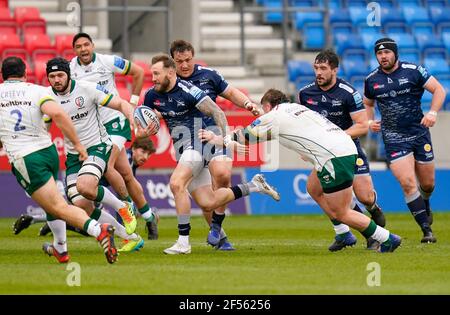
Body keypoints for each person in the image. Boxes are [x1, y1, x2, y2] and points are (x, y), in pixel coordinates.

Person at [200, 89, 402, 253]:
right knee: (313, 188)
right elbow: (271, 134)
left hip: (333, 157)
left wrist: (218, 139)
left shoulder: (275, 116)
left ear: (269, 105)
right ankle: (342, 234)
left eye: (264, 109)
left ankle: (386, 238)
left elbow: (245, 136)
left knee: (342, 211)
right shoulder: (296, 108)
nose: (263, 112)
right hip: (343, 148)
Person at [142, 54, 280, 254]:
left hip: (199, 143)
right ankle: (253, 186)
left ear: (170, 72)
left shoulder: (189, 91)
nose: (152, 77)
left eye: (156, 73)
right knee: (208, 202)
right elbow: (143, 119)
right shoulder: (151, 95)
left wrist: (225, 140)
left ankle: (183, 242)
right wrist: (145, 129)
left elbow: (218, 112)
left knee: (176, 183)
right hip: (183, 149)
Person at [0, 56, 117, 264]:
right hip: (48, 152)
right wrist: (77, 144)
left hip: (26, 158)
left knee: (58, 206)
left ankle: (100, 230)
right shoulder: (37, 90)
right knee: (52, 204)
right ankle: (60, 249)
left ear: (2, 76)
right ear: (25, 73)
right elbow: (58, 114)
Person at [169, 39, 262, 250]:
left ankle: (216, 228)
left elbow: (230, 93)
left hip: (214, 134)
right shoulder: (170, 82)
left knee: (222, 175)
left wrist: (248, 104)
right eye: (179, 61)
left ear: (193, 57)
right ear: (173, 61)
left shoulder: (208, 75)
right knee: (206, 200)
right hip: (186, 141)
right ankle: (221, 238)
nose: (184, 65)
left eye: (188, 60)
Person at [46, 57, 144, 253]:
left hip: (97, 146)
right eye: (52, 76)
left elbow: (120, 103)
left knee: (86, 187)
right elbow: (44, 126)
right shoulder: (46, 97)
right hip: (74, 155)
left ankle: (123, 207)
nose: (56, 80)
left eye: (60, 75)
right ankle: (131, 237)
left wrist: (131, 115)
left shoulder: (86, 88)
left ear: (68, 75)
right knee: (82, 204)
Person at [298, 49, 386, 251]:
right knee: (314, 189)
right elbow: (305, 125)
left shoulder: (349, 93)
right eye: (316, 68)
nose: (318, 72)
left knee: (364, 197)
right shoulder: (306, 93)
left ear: (335, 70)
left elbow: (362, 126)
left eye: (323, 68)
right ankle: (344, 233)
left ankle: (372, 208)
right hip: (324, 155)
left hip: (348, 151)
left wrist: (334, 139)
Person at [70, 33, 159, 232]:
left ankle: (127, 208)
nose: (83, 49)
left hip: (115, 121)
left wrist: (134, 102)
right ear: (74, 50)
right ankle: (149, 217)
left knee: (107, 165)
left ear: (92, 45)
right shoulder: (69, 69)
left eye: (86, 45)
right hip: (94, 128)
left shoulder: (107, 61)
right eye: (78, 46)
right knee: (126, 174)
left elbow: (138, 72)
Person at [364, 38, 446, 243]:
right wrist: (369, 121)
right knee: (408, 183)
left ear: (395, 54)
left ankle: (425, 202)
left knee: (427, 184)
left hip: (419, 134)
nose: (383, 57)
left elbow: (439, 90)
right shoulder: (372, 79)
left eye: (387, 53)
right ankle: (426, 230)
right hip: (393, 138)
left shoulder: (414, 71)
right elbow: (368, 103)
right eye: (379, 54)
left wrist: (433, 112)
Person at [13, 137, 158, 240]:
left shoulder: (130, 162)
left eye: (149, 154)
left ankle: (35, 220)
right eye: (143, 151)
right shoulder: (124, 159)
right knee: (88, 221)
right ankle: (51, 224)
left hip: (90, 188)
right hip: (84, 185)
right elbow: (122, 189)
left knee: (84, 218)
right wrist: (132, 211)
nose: (145, 156)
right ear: (133, 148)